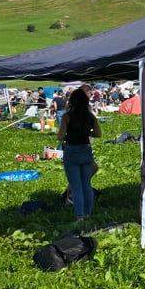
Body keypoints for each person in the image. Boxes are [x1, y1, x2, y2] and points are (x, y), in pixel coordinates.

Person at [57, 87, 102, 222]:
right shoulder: (91, 117)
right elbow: (98, 134)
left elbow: (60, 137)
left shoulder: (67, 117)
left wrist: (69, 135)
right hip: (85, 150)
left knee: (76, 186)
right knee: (86, 184)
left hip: (71, 151)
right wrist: (86, 133)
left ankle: (80, 216)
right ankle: (88, 213)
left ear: (72, 101)